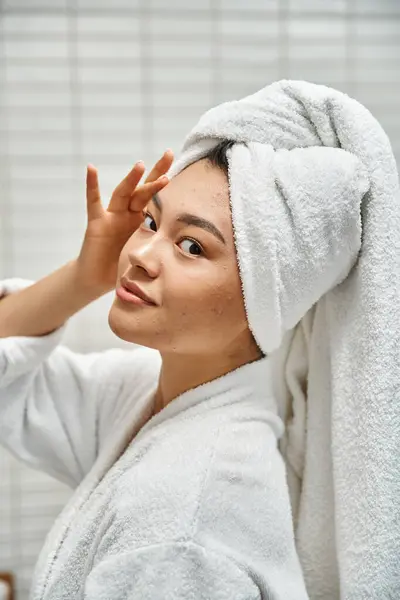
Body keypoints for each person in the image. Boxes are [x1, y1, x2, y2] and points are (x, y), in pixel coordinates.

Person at [0, 142, 305, 599]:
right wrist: (86, 276)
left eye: (192, 246)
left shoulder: (184, 524)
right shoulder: (147, 391)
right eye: (150, 222)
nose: (141, 252)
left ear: (265, 301)